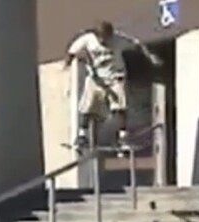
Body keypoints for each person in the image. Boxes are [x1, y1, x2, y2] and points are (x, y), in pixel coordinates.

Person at [64, 21, 162, 153]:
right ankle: (82, 136)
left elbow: (137, 44)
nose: (104, 42)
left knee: (120, 107)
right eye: (102, 40)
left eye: (107, 39)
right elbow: (71, 52)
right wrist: (67, 65)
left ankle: (123, 138)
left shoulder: (119, 39)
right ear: (97, 36)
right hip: (96, 79)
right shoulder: (87, 39)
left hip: (116, 77)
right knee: (87, 106)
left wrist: (150, 57)